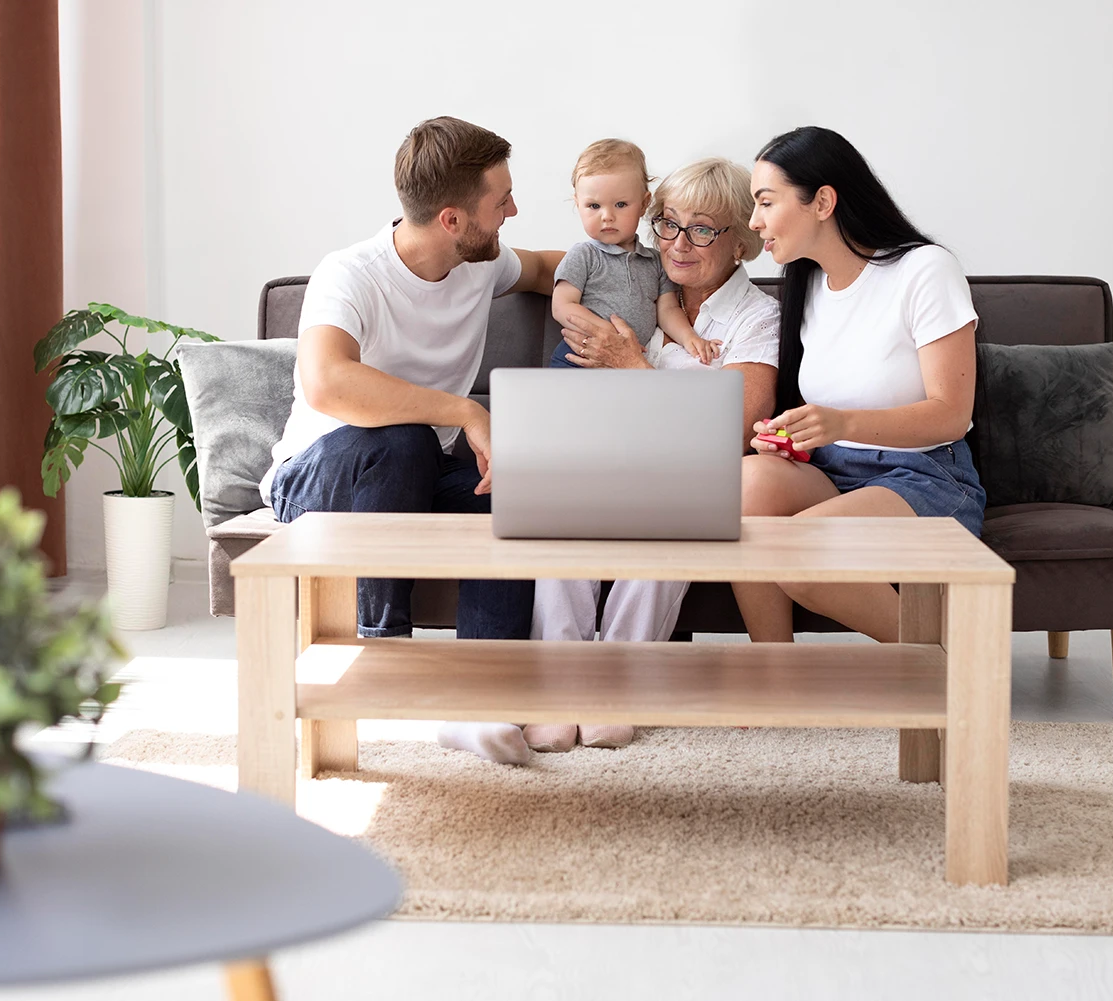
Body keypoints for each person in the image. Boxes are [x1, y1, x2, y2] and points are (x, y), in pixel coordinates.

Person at [261, 117, 564, 766]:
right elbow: (326, 382)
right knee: (403, 439)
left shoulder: (478, 261)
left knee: (506, 499)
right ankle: (381, 656)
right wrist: (462, 410)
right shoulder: (350, 273)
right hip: (317, 479)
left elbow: (546, 267)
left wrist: (659, 275)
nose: (514, 210)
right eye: (501, 200)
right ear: (452, 218)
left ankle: (481, 699)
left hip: (419, 476)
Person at [526, 157, 780, 753]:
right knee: (557, 502)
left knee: (680, 514)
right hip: (611, 461)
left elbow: (734, 428)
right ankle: (558, 687)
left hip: (690, 476)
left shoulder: (757, 318)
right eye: (667, 223)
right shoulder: (635, 293)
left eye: (702, 229)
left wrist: (635, 368)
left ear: (741, 242)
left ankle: (618, 686)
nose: (678, 242)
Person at [732, 126, 985, 644]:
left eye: (765, 202)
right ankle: (774, 675)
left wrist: (841, 422)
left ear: (822, 201)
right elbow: (827, 421)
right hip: (832, 471)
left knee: (795, 548)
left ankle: (939, 658)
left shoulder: (924, 270)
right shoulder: (808, 286)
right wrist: (789, 437)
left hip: (923, 475)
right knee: (743, 484)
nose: (755, 222)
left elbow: (951, 413)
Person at [548, 139, 717, 368]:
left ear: (644, 204)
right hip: (581, 355)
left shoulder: (655, 261)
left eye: (620, 204)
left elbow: (667, 310)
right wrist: (606, 334)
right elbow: (562, 306)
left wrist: (690, 338)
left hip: (630, 361)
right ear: (578, 204)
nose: (607, 216)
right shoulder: (584, 255)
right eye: (594, 206)